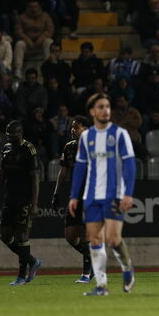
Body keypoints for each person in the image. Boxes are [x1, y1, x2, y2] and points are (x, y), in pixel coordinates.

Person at [68, 93, 138, 296]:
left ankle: (127, 269)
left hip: (114, 194)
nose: (105, 110)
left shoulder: (119, 134)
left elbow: (130, 165)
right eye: (101, 107)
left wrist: (128, 194)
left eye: (107, 106)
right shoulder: (87, 137)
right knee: (94, 239)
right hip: (91, 196)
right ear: (92, 112)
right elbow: (80, 168)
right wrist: (74, 196)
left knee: (113, 239)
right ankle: (101, 285)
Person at [0, 120, 42, 286]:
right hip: (10, 197)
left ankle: (21, 276)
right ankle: (32, 261)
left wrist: (35, 203)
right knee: (5, 236)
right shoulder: (6, 149)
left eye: (12, 133)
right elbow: (1, 174)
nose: (9, 136)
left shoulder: (29, 150)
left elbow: (35, 178)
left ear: (20, 132)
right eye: (7, 134)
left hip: (25, 199)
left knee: (21, 236)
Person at [51, 116, 94, 282]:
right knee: (70, 236)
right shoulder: (69, 147)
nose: (72, 130)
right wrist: (56, 193)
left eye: (75, 127)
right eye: (71, 127)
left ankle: (86, 274)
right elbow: (63, 172)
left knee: (84, 236)